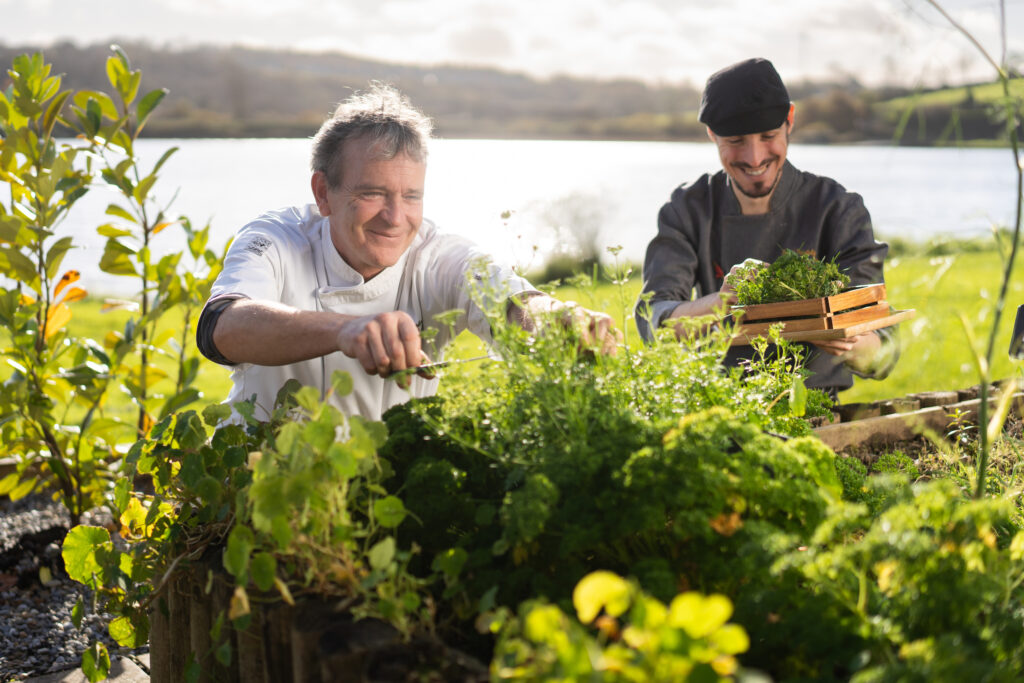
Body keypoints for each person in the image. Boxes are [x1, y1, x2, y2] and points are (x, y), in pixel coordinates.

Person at [197, 83, 619, 421]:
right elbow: (222, 326)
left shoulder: (438, 256)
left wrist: (557, 318)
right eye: (373, 193)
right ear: (323, 192)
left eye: (411, 196)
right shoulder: (274, 238)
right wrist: (344, 330)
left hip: (387, 499)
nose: (395, 218)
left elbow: (511, 302)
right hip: (255, 488)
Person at [636, 58, 897, 399]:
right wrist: (720, 302)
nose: (755, 157)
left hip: (816, 414)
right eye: (736, 141)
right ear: (712, 134)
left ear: (789, 120)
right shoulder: (688, 208)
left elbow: (883, 348)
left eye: (768, 136)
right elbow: (652, 318)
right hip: (718, 408)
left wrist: (851, 340)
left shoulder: (837, 208)